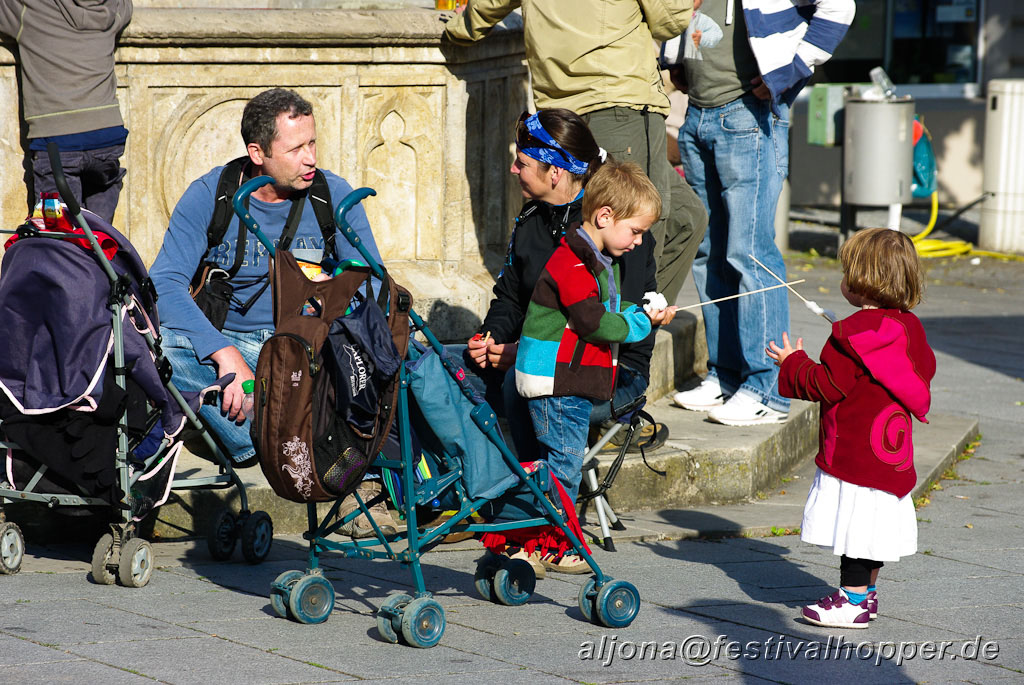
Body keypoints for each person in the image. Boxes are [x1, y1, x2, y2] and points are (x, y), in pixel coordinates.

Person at [150, 88, 395, 536]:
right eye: (297, 148)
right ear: (257, 153)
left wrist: (327, 323)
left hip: (308, 352)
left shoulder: (331, 196)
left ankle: (262, 430)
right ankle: (266, 434)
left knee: (404, 355)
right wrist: (224, 355)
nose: (310, 158)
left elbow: (374, 283)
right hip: (234, 348)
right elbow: (164, 285)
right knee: (150, 347)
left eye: (313, 144)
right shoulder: (212, 195)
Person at [443, 0, 708, 306]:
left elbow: (487, 6)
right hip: (619, 108)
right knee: (634, 239)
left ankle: (619, 333)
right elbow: (670, 20)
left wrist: (459, 26)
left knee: (686, 217)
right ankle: (616, 343)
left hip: (570, 115)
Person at [671, 0, 855, 426]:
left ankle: (768, 390)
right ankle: (726, 375)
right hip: (697, 115)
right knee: (709, 252)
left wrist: (790, 71)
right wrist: (675, 59)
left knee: (749, 252)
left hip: (748, 115)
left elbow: (839, 6)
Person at [466, 110, 674, 472]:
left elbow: (604, 323)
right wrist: (490, 338)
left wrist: (524, 348)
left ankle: (538, 504)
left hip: (611, 367)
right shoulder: (531, 220)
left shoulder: (615, 229)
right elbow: (510, 298)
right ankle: (467, 489)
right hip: (536, 356)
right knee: (449, 372)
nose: (514, 170)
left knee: (521, 391)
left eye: (522, 163)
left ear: (556, 172)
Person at [506, 160, 671, 574]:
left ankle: (531, 539)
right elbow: (593, 322)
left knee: (557, 464)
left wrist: (642, 308)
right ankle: (553, 542)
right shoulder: (573, 263)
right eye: (635, 231)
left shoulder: (596, 260)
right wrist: (640, 324)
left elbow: (607, 308)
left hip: (569, 381)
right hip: (558, 383)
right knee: (561, 467)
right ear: (604, 216)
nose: (637, 243)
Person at [766, 228, 936, 629]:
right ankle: (867, 595)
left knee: (857, 530)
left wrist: (793, 361)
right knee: (873, 525)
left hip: (856, 452)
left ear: (860, 282)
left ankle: (852, 601)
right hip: (889, 452)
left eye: (846, 272)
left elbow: (826, 384)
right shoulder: (909, 328)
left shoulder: (851, 336)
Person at [0, 0, 132, 224]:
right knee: (99, 238)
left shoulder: (28, 7)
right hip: (107, 137)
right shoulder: (111, 7)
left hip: (57, 142)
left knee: (60, 238)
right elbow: (126, 8)